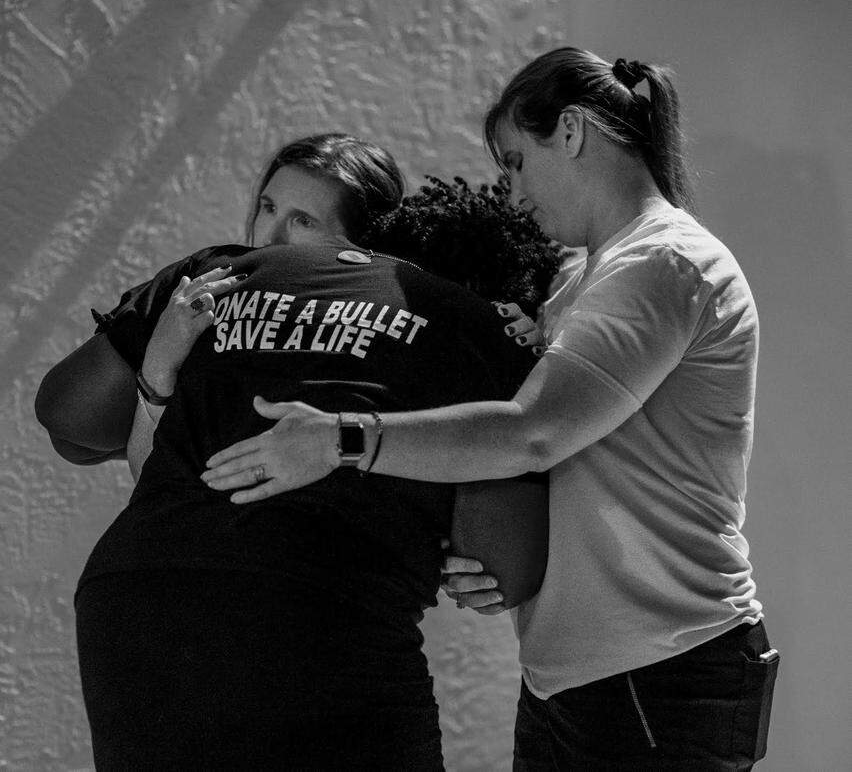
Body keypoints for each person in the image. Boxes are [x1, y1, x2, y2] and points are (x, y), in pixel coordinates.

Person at [202, 47, 778, 769]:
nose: (512, 191)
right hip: (569, 678)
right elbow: (567, 464)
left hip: (662, 671)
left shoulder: (665, 264)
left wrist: (341, 439)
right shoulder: (578, 275)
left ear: (570, 132)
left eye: (514, 161)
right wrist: (491, 550)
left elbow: (534, 434)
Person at [71, 175, 561, 768]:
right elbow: (507, 564)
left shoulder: (224, 277)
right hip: (319, 605)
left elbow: (67, 418)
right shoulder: (488, 330)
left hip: (129, 595)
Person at [34, 133, 407, 465]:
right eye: (269, 207)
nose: (272, 234)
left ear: (365, 239)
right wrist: (161, 366)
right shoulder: (219, 278)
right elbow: (73, 430)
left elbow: (78, 427)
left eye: (303, 221)